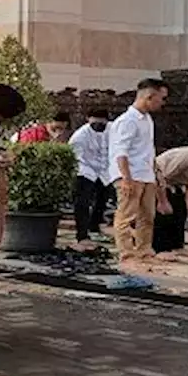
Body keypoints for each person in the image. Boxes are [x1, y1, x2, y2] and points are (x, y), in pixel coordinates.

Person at [108, 79, 168, 260]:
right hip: (131, 174)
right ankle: (126, 251)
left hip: (146, 174)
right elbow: (121, 152)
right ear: (150, 96)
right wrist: (126, 178)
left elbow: (148, 150)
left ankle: (144, 249)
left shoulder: (147, 119)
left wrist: (156, 174)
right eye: (161, 98)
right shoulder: (127, 121)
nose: (163, 103)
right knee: (126, 215)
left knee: (147, 216)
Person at [68, 109, 112, 247]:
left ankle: (95, 226)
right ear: (88, 120)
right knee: (83, 202)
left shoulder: (113, 130)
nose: (99, 127)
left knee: (103, 199)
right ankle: (82, 234)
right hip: (85, 170)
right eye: (95, 124)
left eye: (101, 124)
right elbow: (77, 158)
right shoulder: (80, 136)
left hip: (106, 170)